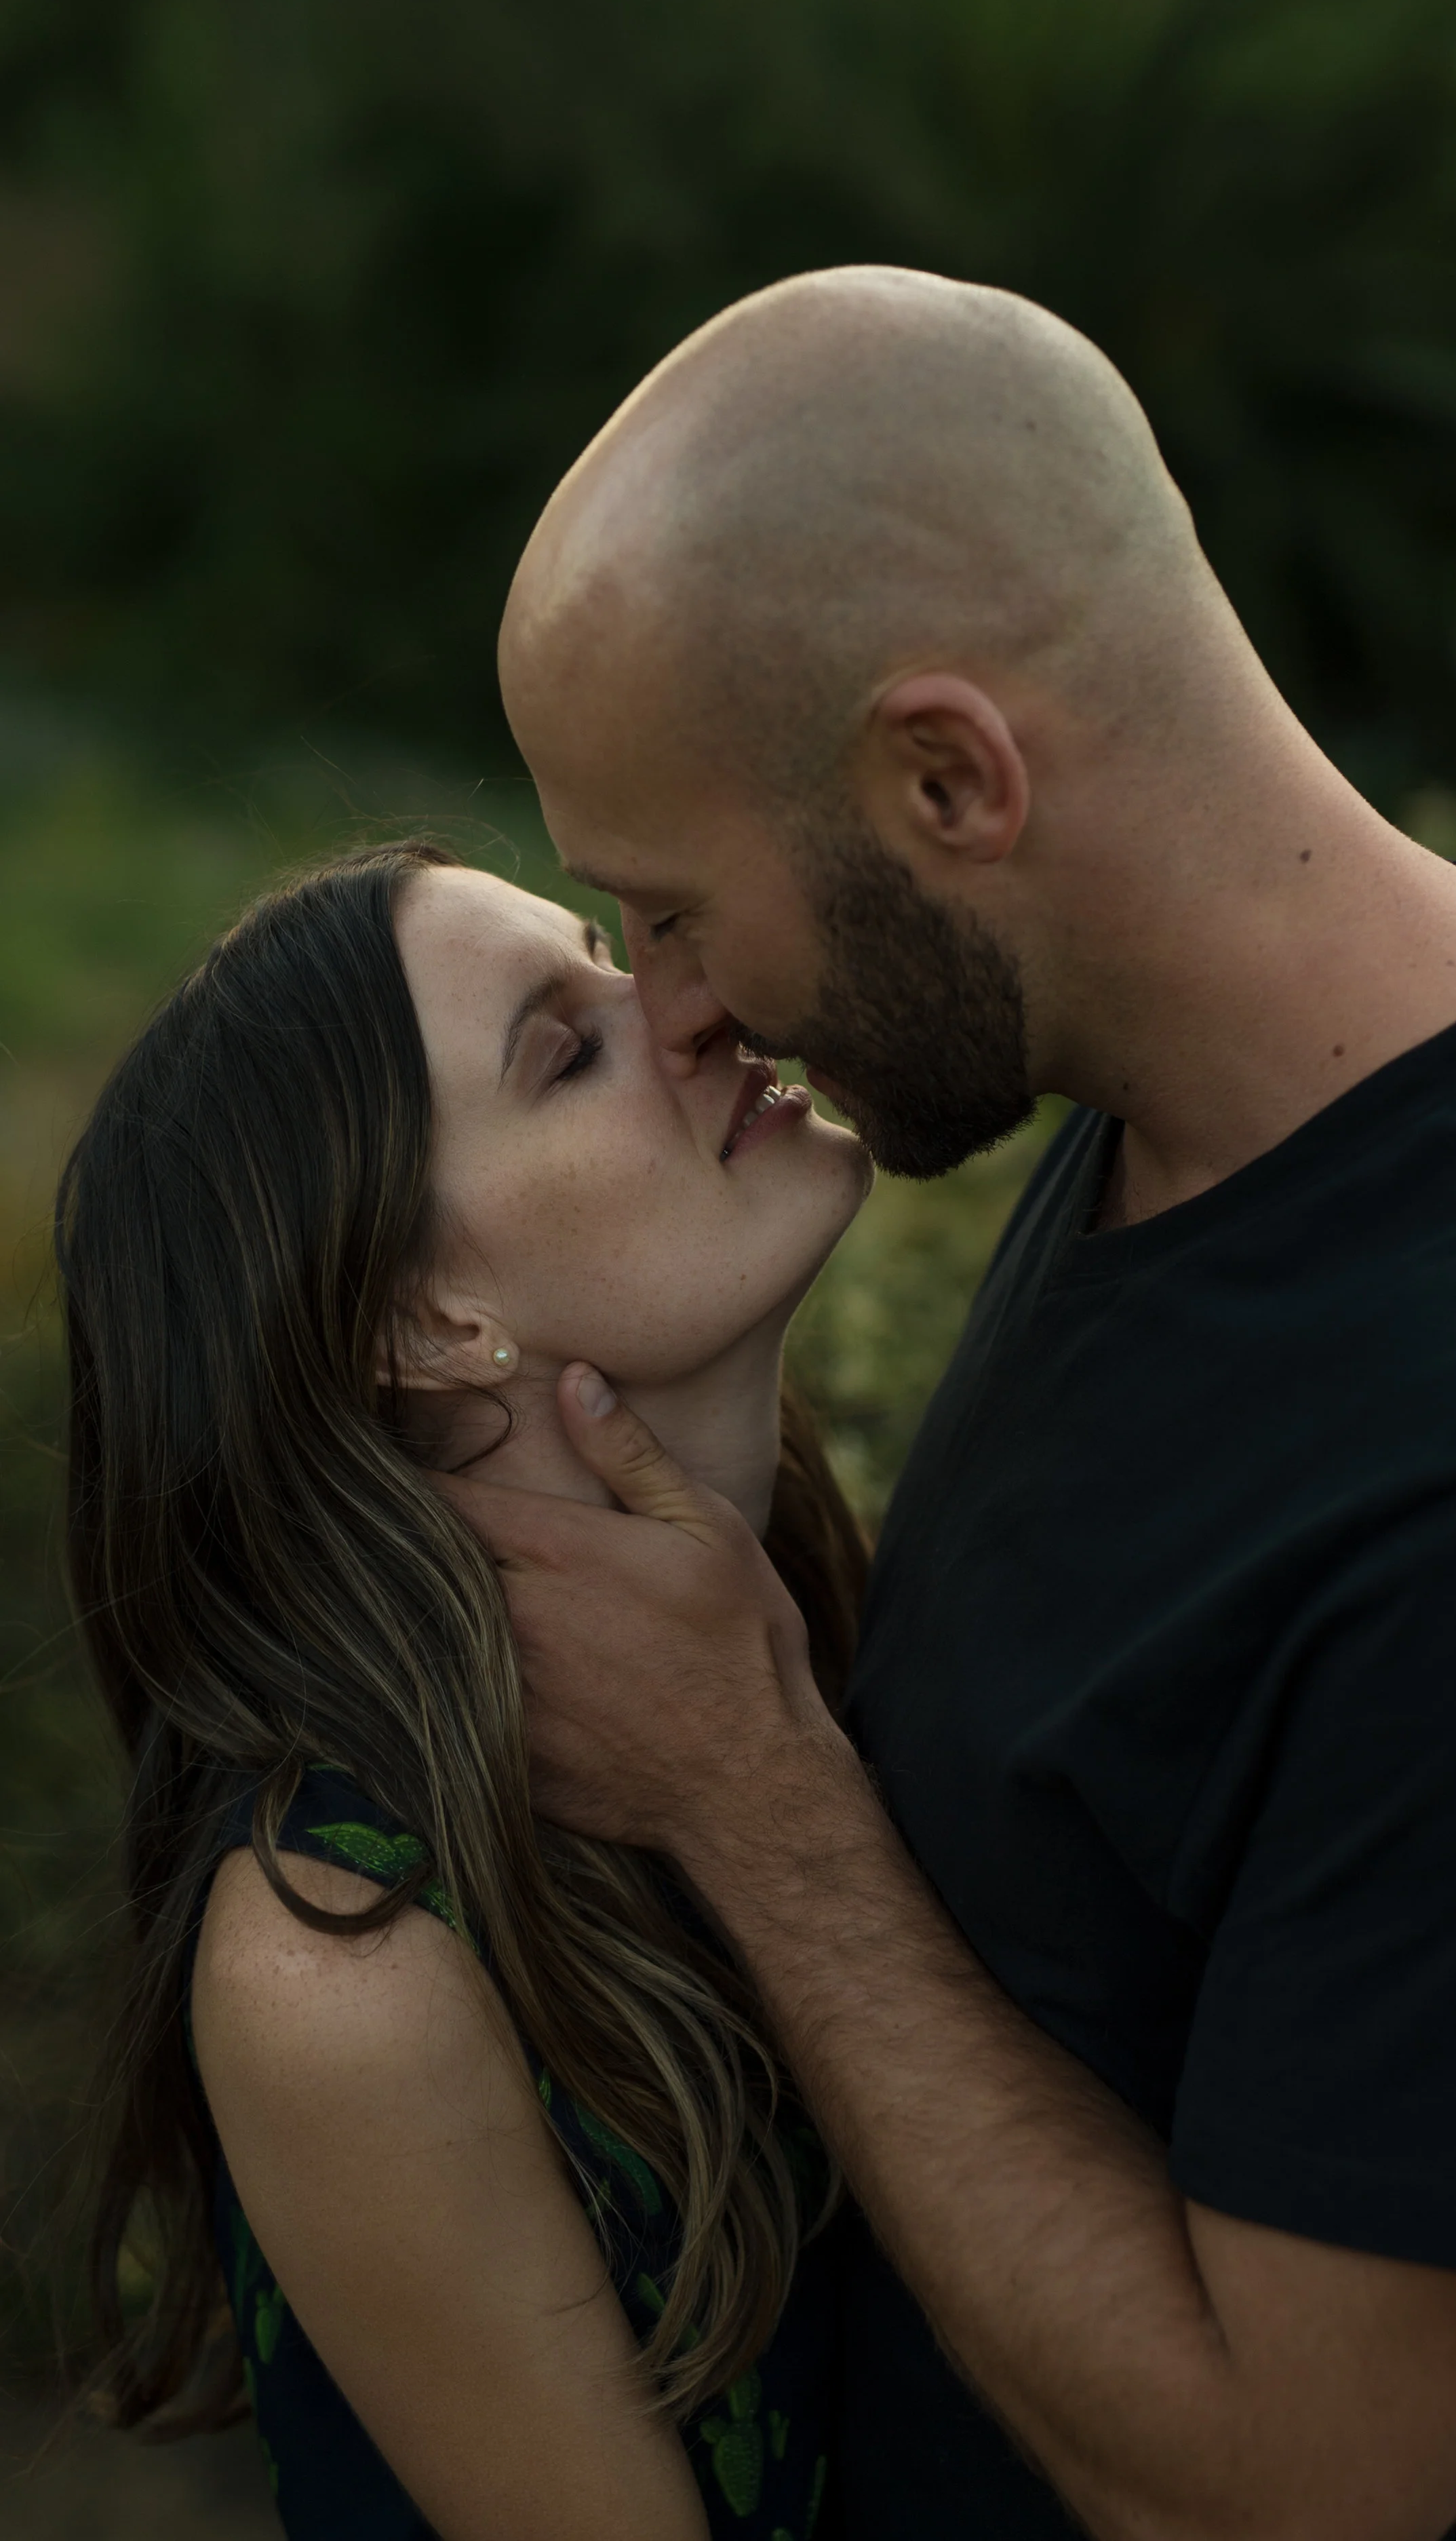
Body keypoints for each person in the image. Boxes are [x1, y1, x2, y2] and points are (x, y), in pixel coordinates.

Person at [458, 267, 1456, 2541]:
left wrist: (751, 1794)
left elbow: (1287, 2497)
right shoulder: (1156, 1115)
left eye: (676, 910)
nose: (677, 1011)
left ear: (951, 780)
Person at [58, 840, 871, 2540]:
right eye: (566, 1050)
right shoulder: (344, 1955)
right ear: (426, 1322)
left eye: (615, 960)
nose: (692, 1003)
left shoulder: (833, 1607)